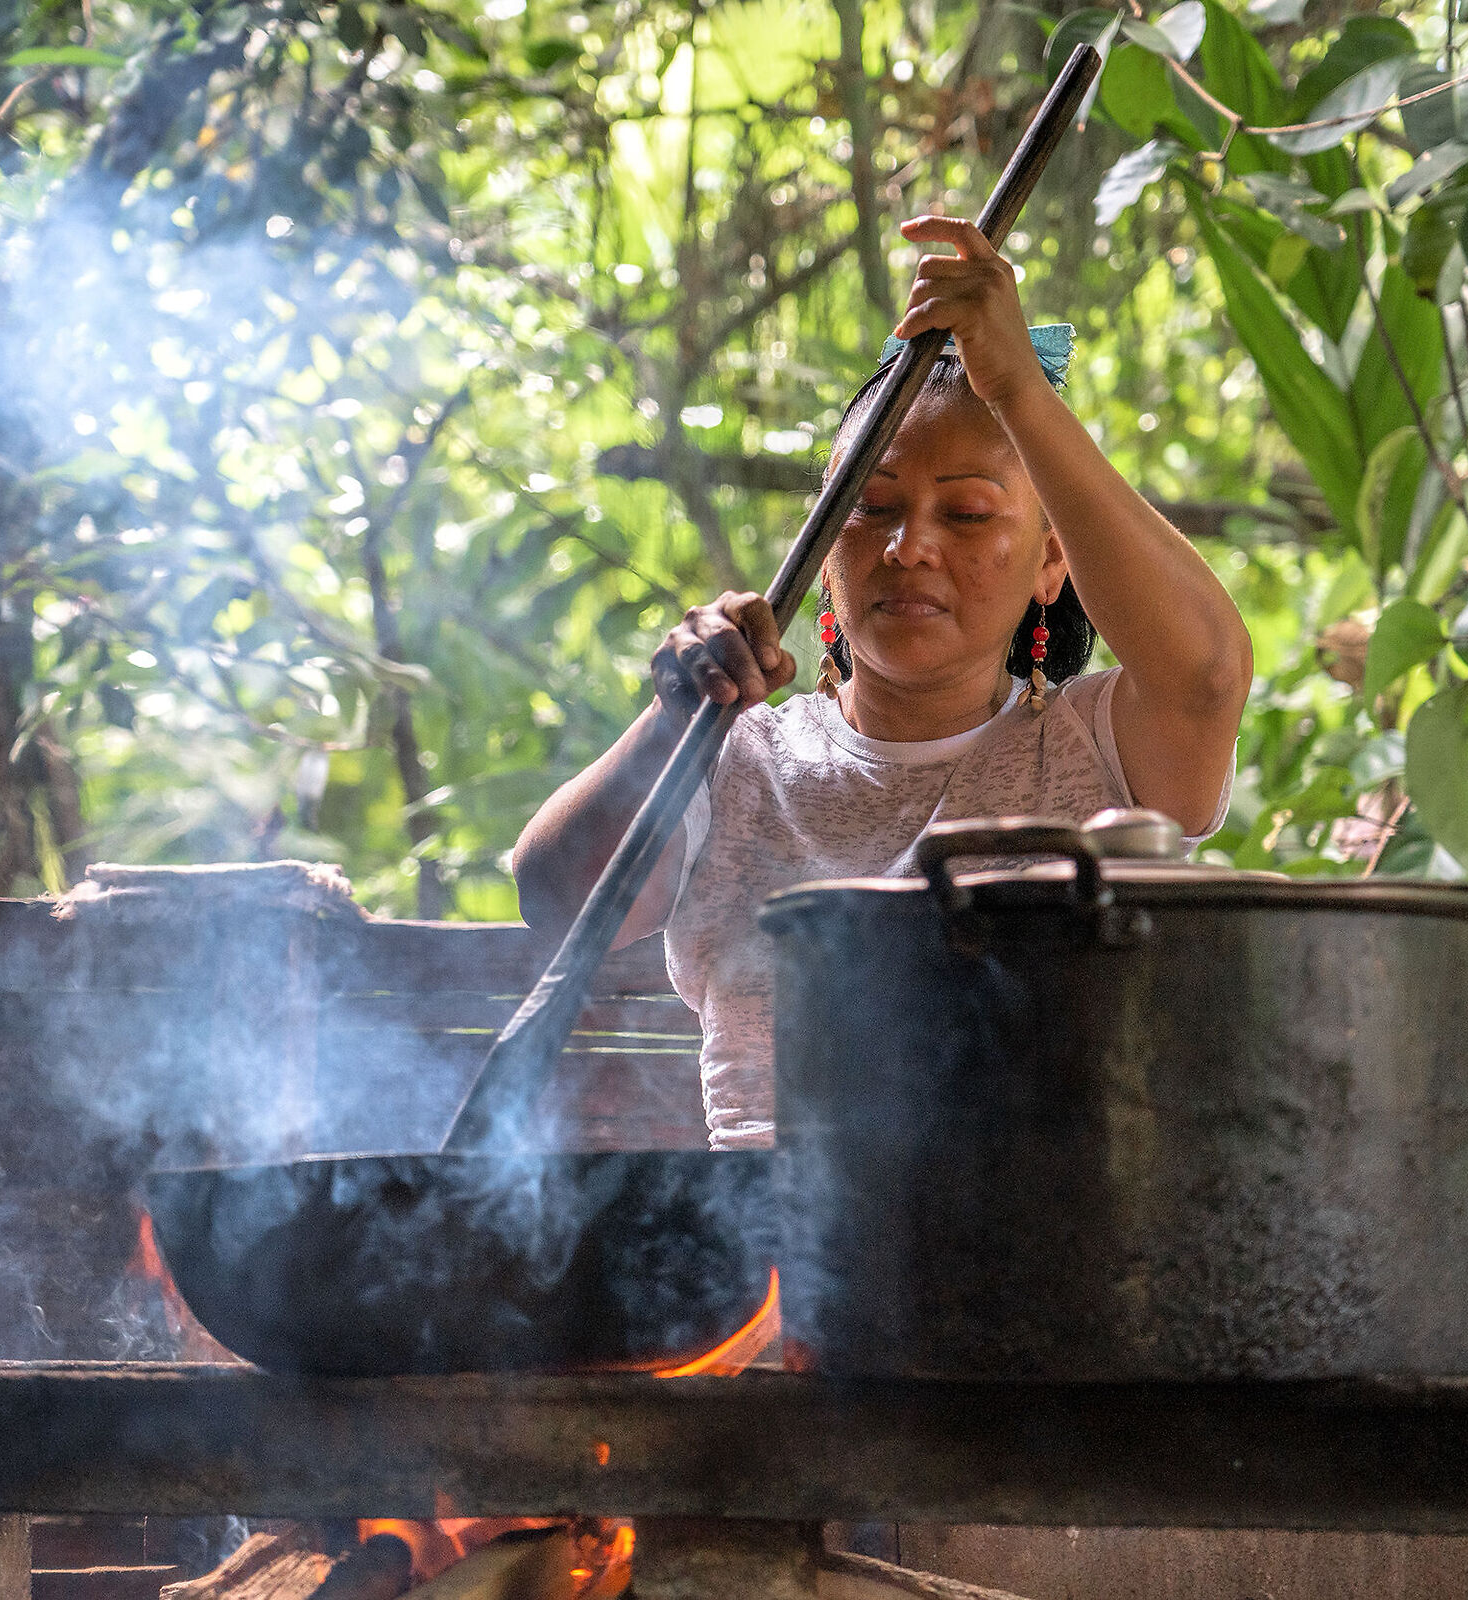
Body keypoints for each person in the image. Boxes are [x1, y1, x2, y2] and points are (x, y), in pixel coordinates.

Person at [513, 214, 1253, 1151]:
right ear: (825, 556)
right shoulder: (740, 759)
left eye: (972, 513)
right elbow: (558, 897)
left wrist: (1018, 386)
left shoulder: (1091, 747)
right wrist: (674, 719)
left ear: (1049, 564)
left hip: (1041, 1245)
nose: (912, 549)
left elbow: (1208, 675)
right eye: (873, 508)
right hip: (781, 1258)